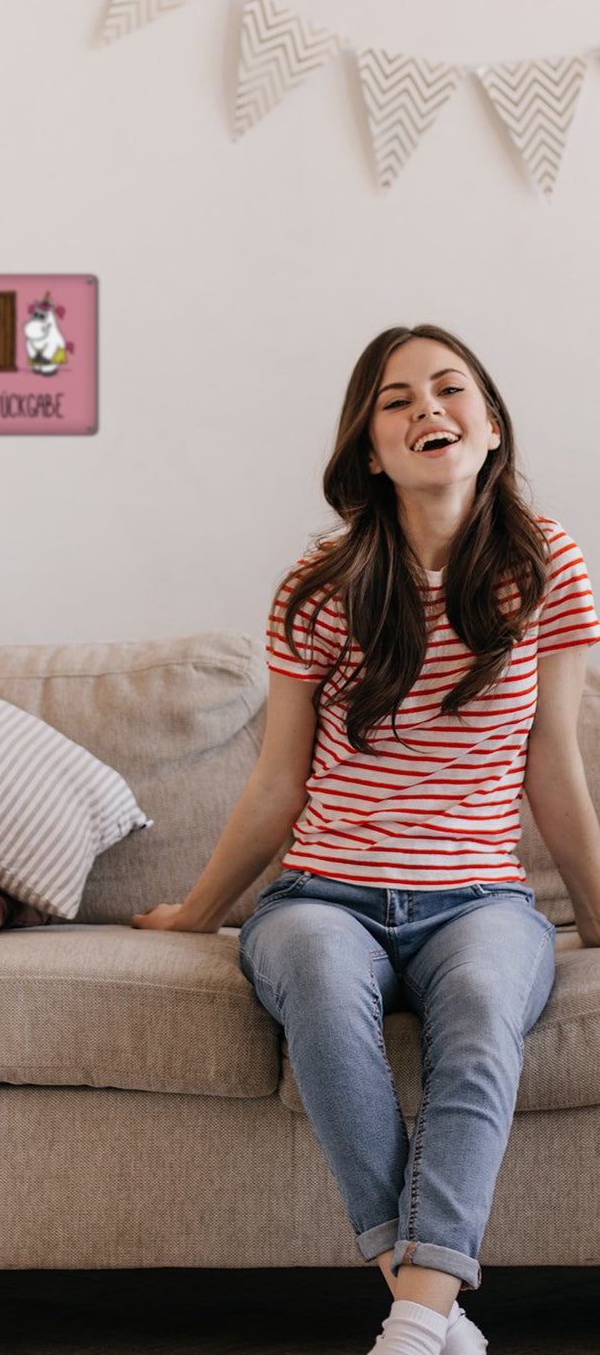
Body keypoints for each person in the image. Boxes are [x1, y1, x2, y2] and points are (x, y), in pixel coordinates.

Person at [131, 325, 600, 1355]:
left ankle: (412, 1318)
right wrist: (197, 913)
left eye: (448, 388)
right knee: (312, 979)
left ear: (487, 428)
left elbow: (551, 763)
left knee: (481, 1006)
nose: (426, 408)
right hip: (320, 894)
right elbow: (277, 781)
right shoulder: (319, 581)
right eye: (396, 399)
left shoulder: (545, 564)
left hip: (478, 900)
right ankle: (428, 1307)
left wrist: (599, 919)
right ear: (369, 447)